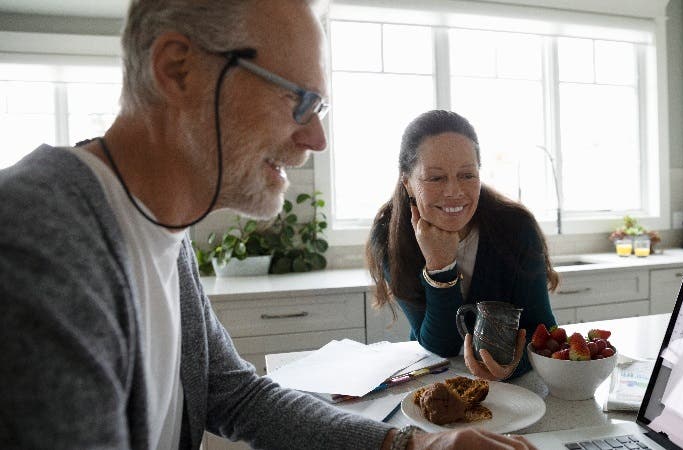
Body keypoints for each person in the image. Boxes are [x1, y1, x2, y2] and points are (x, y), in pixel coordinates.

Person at [0, 1, 536, 449]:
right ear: (178, 70)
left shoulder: (160, 229)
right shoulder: (39, 238)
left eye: (319, 106)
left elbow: (235, 395)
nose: (316, 139)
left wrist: (413, 445)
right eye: (298, 99)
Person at [367, 110, 559, 381]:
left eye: (467, 175)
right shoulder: (390, 235)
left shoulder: (516, 227)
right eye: (436, 178)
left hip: (515, 388)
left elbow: (544, 333)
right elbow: (440, 346)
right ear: (407, 183)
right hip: (433, 382)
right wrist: (440, 266)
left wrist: (513, 366)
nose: (454, 191)